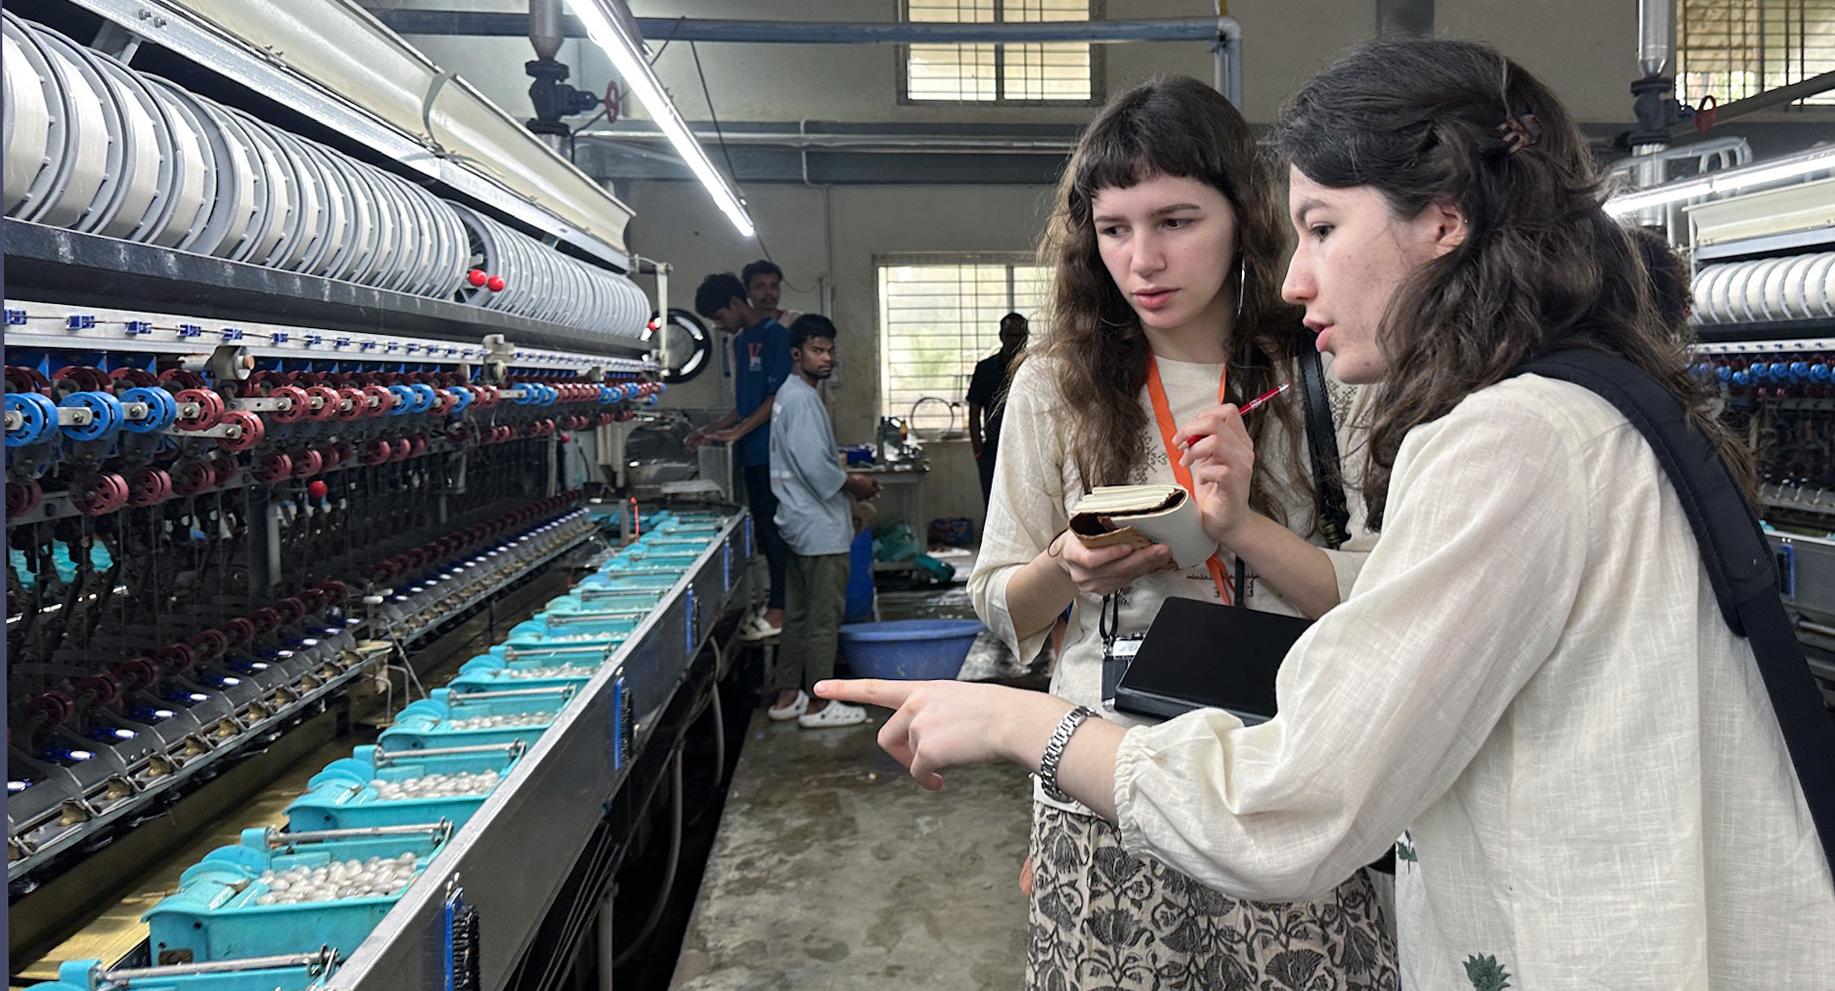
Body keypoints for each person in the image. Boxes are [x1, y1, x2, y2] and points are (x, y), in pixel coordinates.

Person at [817, 38, 1835, 989]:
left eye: (1321, 228)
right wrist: (1064, 585)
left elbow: (1296, 798)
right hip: (1157, 778)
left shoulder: (1492, 434)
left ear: (1442, 219)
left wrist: (1014, 716)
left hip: (1305, 792)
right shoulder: (1590, 401)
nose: (1299, 278)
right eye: (1114, 229)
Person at [944, 77, 1400, 988]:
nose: (1142, 259)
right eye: (1113, 229)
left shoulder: (1327, 370)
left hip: (1286, 775)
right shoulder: (1057, 387)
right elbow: (998, 602)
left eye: (1176, 221)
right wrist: (1067, 566)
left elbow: (1383, 600)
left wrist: (1241, 527)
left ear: (1243, 218)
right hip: (1103, 784)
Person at [765, 314, 882, 727]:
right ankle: (818, 703)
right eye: (817, 350)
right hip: (818, 531)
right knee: (821, 621)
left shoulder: (791, 395)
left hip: (797, 524)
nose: (827, 358)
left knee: (796, 617)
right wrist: (857, 484)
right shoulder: (801, 399)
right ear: (797, 354)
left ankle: (787, 697)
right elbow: (817, 469)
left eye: (830, 350)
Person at [691, 272, 791, 641]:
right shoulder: (741, 340)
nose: (720, 325)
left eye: (720, 317)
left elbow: (776, 397)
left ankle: (780, 608)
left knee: (775, 531)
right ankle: (771, 602)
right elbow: (744, 404)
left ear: (736, 303)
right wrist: (711, 429)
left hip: (772, 453)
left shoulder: (774, 335)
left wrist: (739, 432)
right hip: (750, 454)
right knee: (763, 532)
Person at [965, 312, 1028, 506]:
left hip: (1026, 448)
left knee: (1025, 506)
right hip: (993, 449)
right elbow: (974, 412)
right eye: (1010, 335)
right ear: (1001, 336)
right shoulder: (985, 369)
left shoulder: (1033, 367)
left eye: (1020, 336)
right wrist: (978, 451)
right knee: (993, 505)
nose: (1015, 341)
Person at [743, 259, 804, 329]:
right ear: (747, 291)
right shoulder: (741, 332)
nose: (768, 292)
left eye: (774, 286)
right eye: (760, 287)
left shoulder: (797, 321)